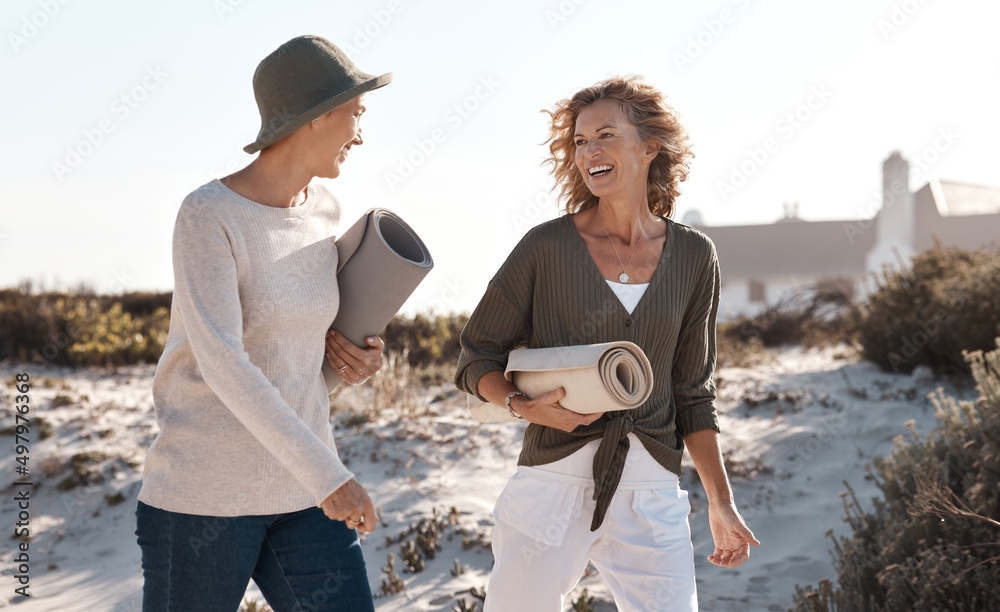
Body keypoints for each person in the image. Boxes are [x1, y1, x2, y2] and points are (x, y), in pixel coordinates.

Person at [455, 76, 760, 611]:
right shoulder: (545, 247)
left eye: (604, 135)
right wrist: (521, 405)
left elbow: (693, 392)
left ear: (649, 147)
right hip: (552, 480)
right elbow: (476, 354)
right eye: (579, 141)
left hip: (653, 491)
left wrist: (721, 503)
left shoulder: (694, 256)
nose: (589, 151)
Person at [135, 35, 392, 611]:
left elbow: (301, 348)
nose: (360, 132)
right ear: (317, 115)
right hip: (203, 502)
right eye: (356, 113)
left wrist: (356, 361)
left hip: (302, 497)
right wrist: (332, 477)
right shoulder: (209, 215)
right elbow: (225, 361)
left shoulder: (325, 212)